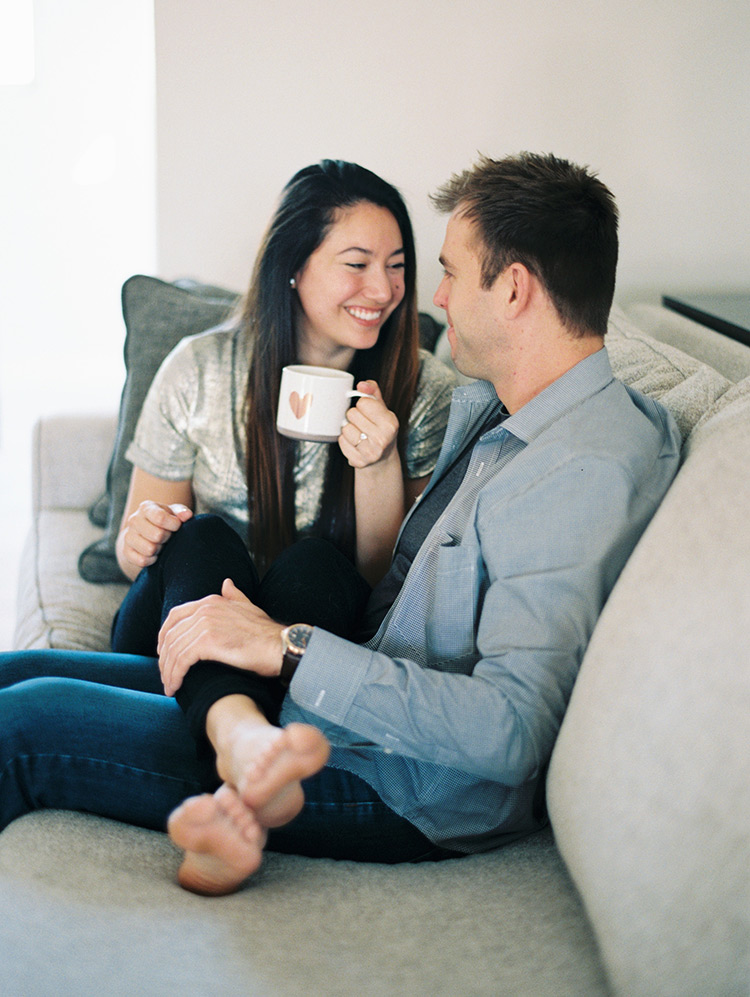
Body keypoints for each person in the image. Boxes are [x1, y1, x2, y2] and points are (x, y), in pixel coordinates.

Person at [0, 152, 681, 897]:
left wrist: (283, 644)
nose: (431, 299)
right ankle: (241, 752)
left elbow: (509, 730)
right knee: (15, 674)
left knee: (21, 723)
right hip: (328, 712)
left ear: (513, 288)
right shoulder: (511, 417)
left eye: (447, 273)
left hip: (396, 779)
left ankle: (245, 768)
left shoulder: (580, 465)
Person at [114, 159, 457, 593]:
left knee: (316, 567)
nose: (384, 290)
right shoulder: (199, 369)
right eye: (357, 264)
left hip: (305, 632)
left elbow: (382, 582)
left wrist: (379, 464)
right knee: (201, 537)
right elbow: (137, 564)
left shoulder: (424, 388)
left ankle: (233, 659)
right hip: (188, 609)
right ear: (293, 265)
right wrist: (137, 542)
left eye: (396, 265)